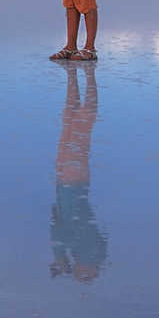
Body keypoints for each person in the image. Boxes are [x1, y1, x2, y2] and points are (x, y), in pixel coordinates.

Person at [50, 62, 106, 282]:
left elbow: (59, 230)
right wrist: (62, 261)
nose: (77, 272)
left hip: (65, 183)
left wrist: (62, 261)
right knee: (80, 127)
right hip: (72, 182)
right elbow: (59, 235)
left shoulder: (85, 250)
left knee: (70, 120)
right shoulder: (85, 249)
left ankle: (73, 75)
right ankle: (89, 75)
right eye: (82, 273)